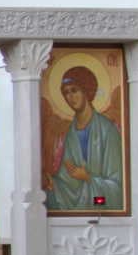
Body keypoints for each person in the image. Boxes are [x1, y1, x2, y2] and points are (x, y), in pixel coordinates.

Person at [45, 65, 123, 210]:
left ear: (86, 91)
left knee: (98, 203)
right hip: (78, 202)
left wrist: (88, 178)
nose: (70, 97)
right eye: (66, 93)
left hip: (100, 202)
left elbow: (117, 187)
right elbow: (68, 181)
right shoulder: (71, 134)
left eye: (74, 90)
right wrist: (52, 183)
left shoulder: (107, 130)